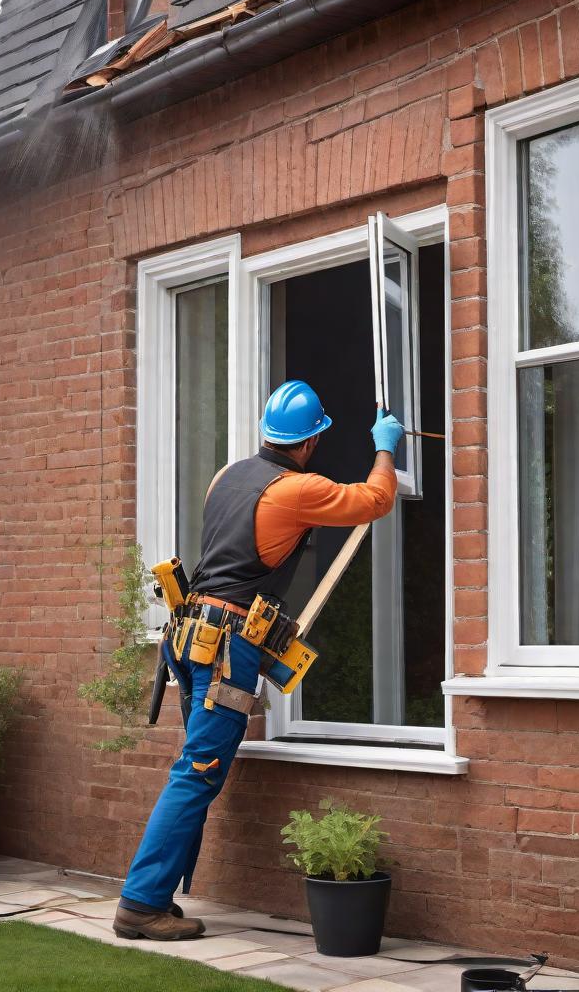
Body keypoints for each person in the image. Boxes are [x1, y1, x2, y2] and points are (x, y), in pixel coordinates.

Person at [113, 380, 404, 940]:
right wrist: (385, 447)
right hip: (225, 645)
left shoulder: (227, 475)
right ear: (312, 440)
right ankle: (140, 903)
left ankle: (155, 895)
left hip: (191, 633)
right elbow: (376, 500)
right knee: (197, 773)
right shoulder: (295, 489)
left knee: (192, 769)